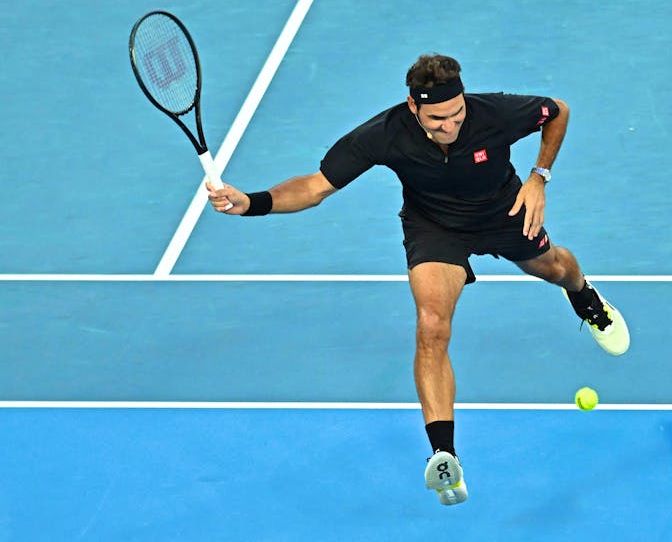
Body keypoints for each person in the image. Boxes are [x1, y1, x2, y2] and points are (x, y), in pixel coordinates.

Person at [206, 53, 630, 506]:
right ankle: (444, 455)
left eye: (456, 114)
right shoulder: (385, 134)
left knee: (556, 270)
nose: (450, 125)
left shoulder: (496, 114)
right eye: (438, 119)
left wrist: (539, 177)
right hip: (435, 229)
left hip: (503, 211)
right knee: (431, 326)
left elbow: (558, 111)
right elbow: (315, 187)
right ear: (413, 107)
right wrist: (251, 202)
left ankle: (585, 298)